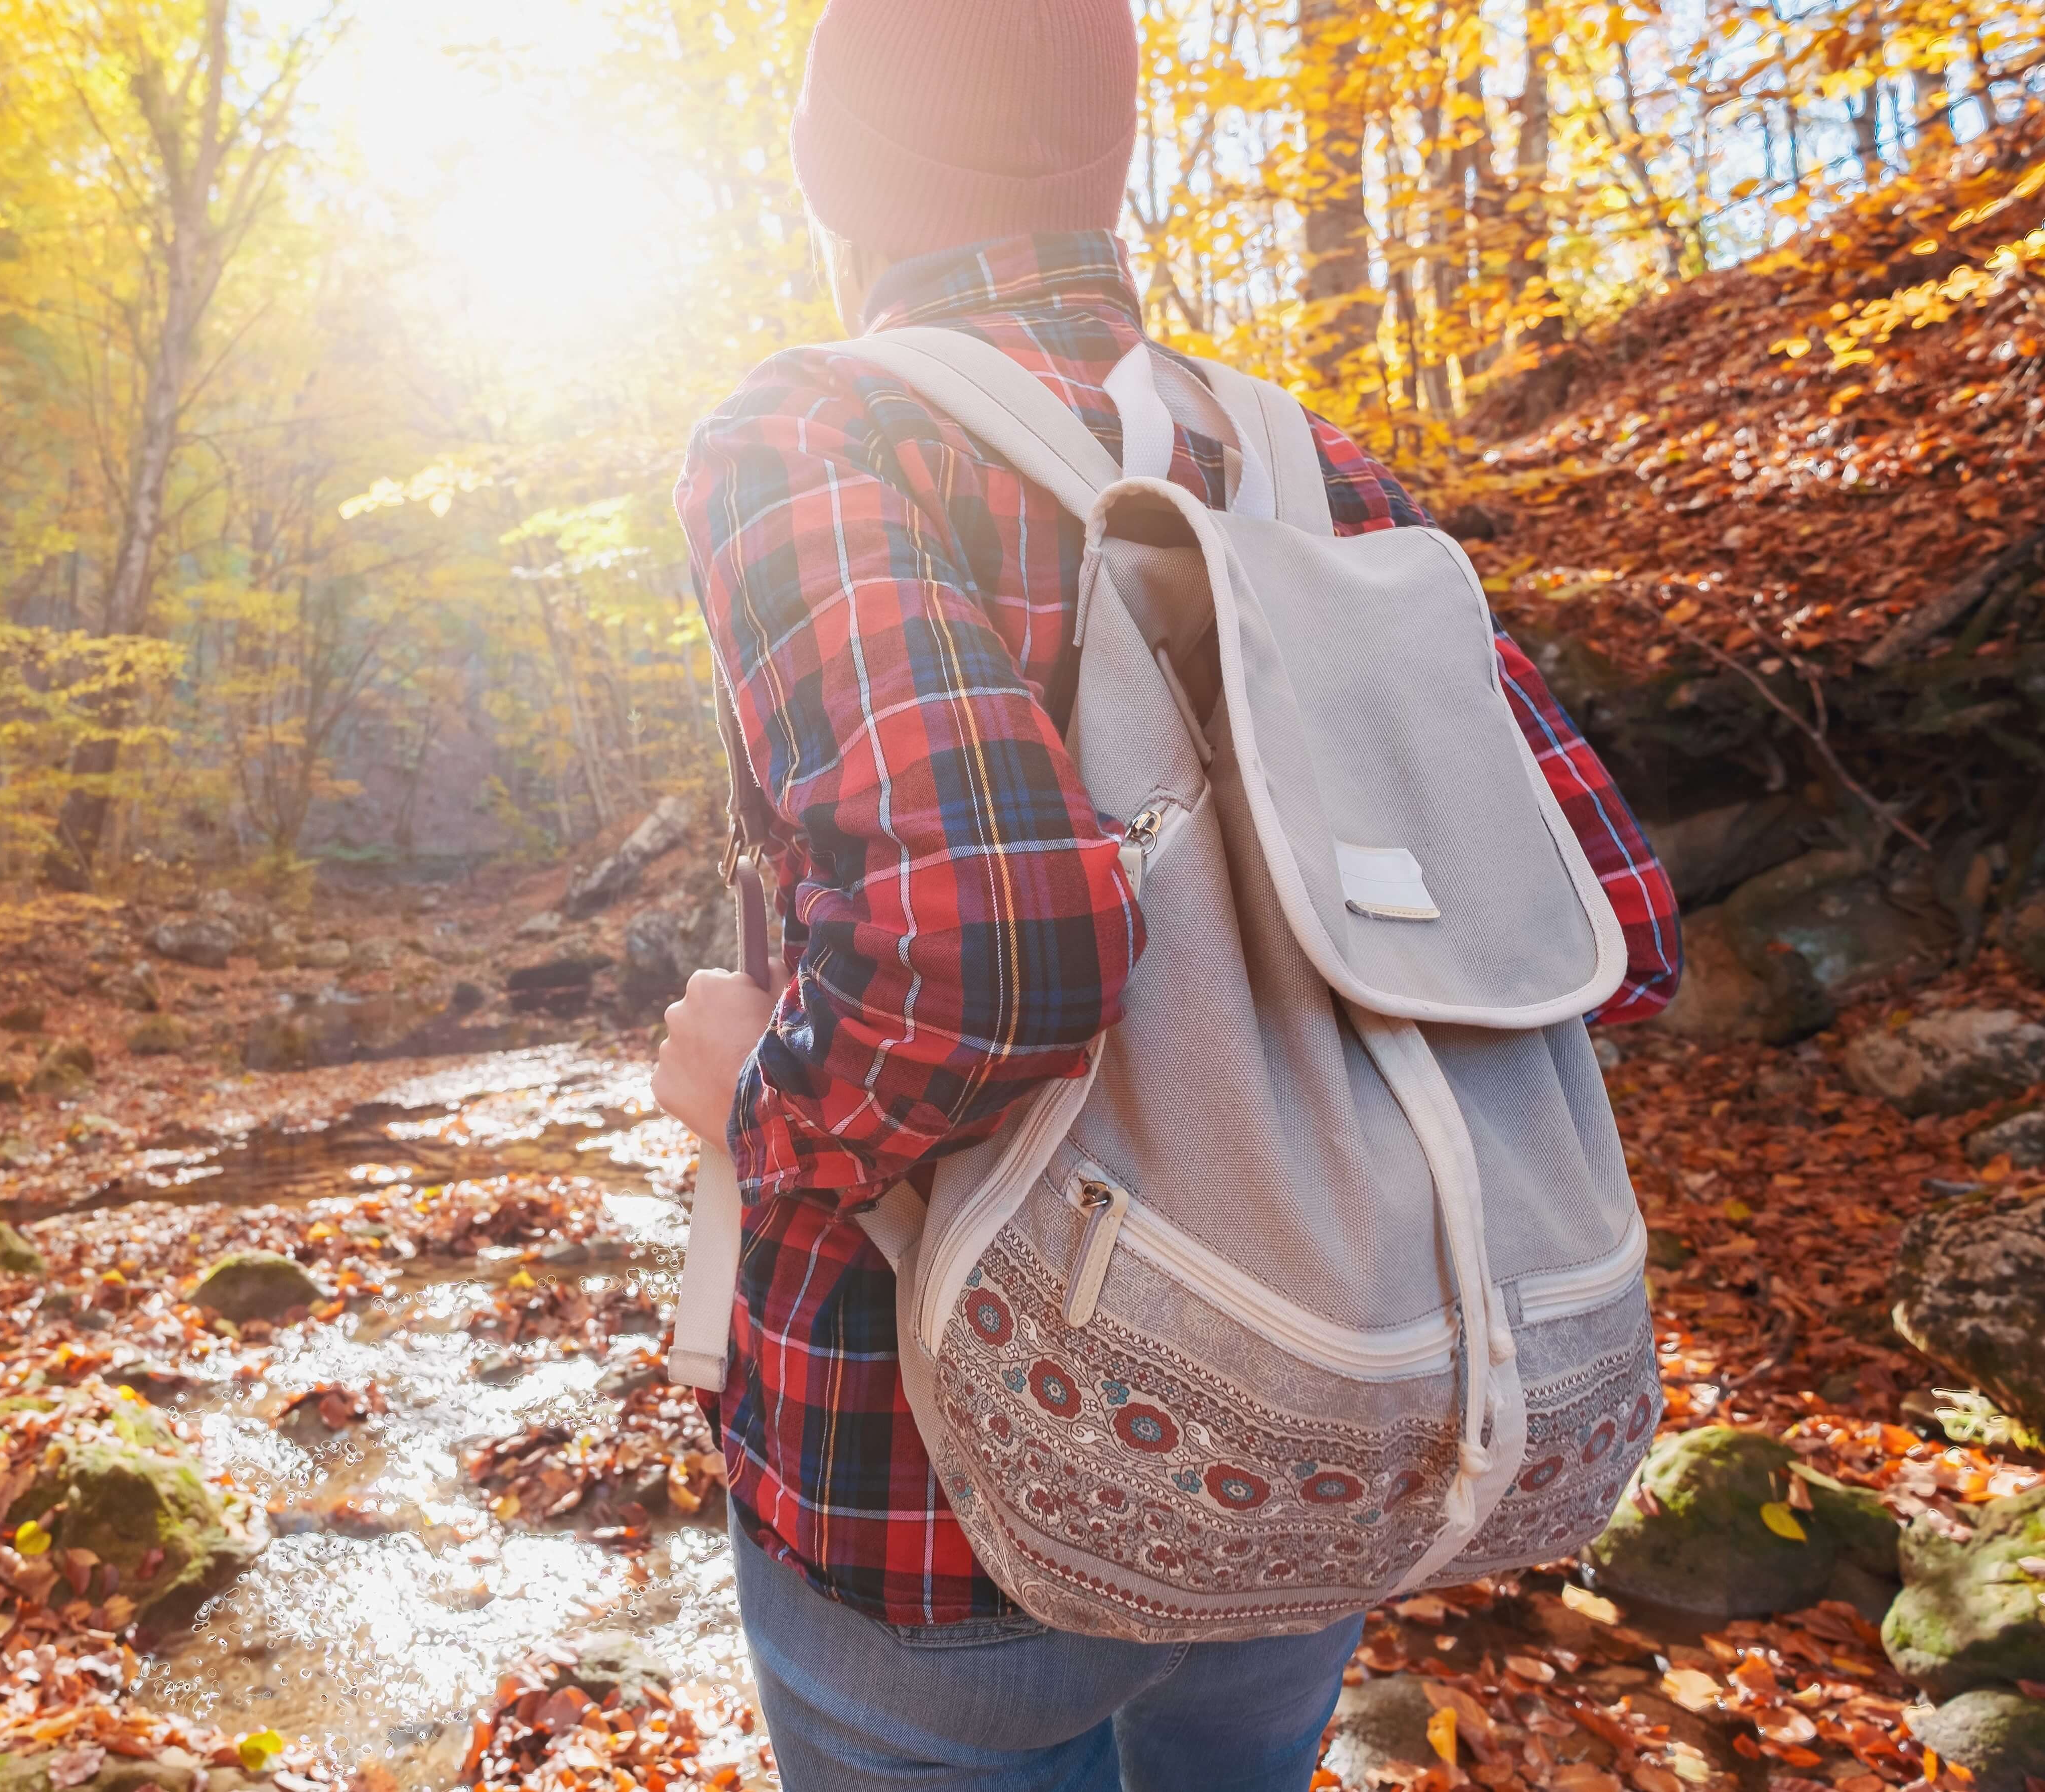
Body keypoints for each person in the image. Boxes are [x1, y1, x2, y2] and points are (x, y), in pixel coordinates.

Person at [651, 3, 1682, 1786]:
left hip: (929, 1484)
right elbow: (1616, 928)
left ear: (833, 170)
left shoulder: (812, 433)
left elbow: (1000, 946)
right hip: (1304, 1417)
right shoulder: (1311, 468)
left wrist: (754, 1099)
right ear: (1110, 162)